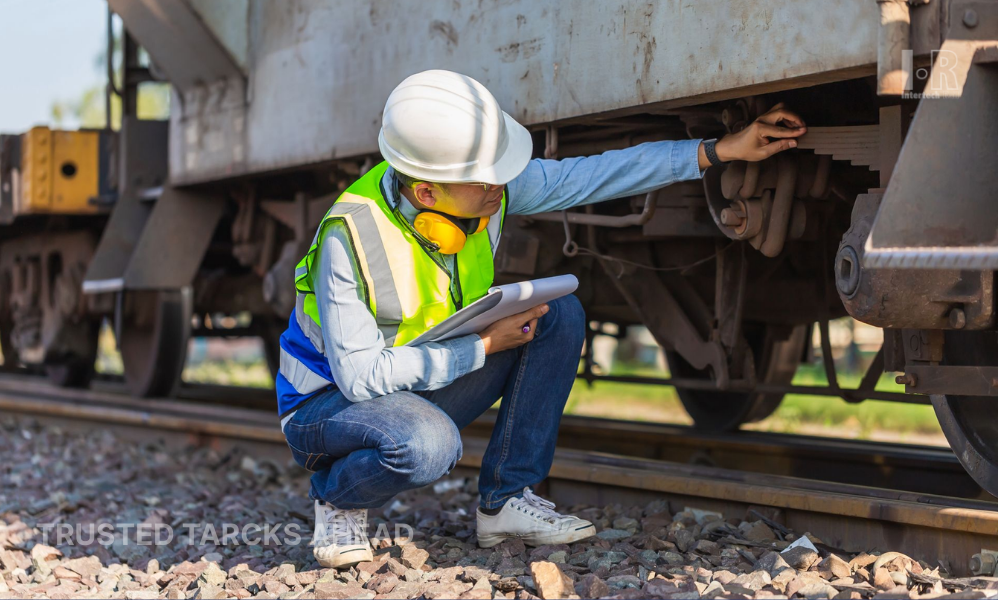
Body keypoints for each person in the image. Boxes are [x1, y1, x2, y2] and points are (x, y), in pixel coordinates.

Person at [277, 69, 806, 568]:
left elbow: (595, 175)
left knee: (555, 314)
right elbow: (362, 378)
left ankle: (504, 502)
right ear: (426, 193)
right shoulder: (349, 240)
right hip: (326, 406)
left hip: (417, 373)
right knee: (427, 447)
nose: (499, 186)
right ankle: (336, 499)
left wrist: (717, 151)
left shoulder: (481, 193)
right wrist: (482, 347)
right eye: (486, 179)